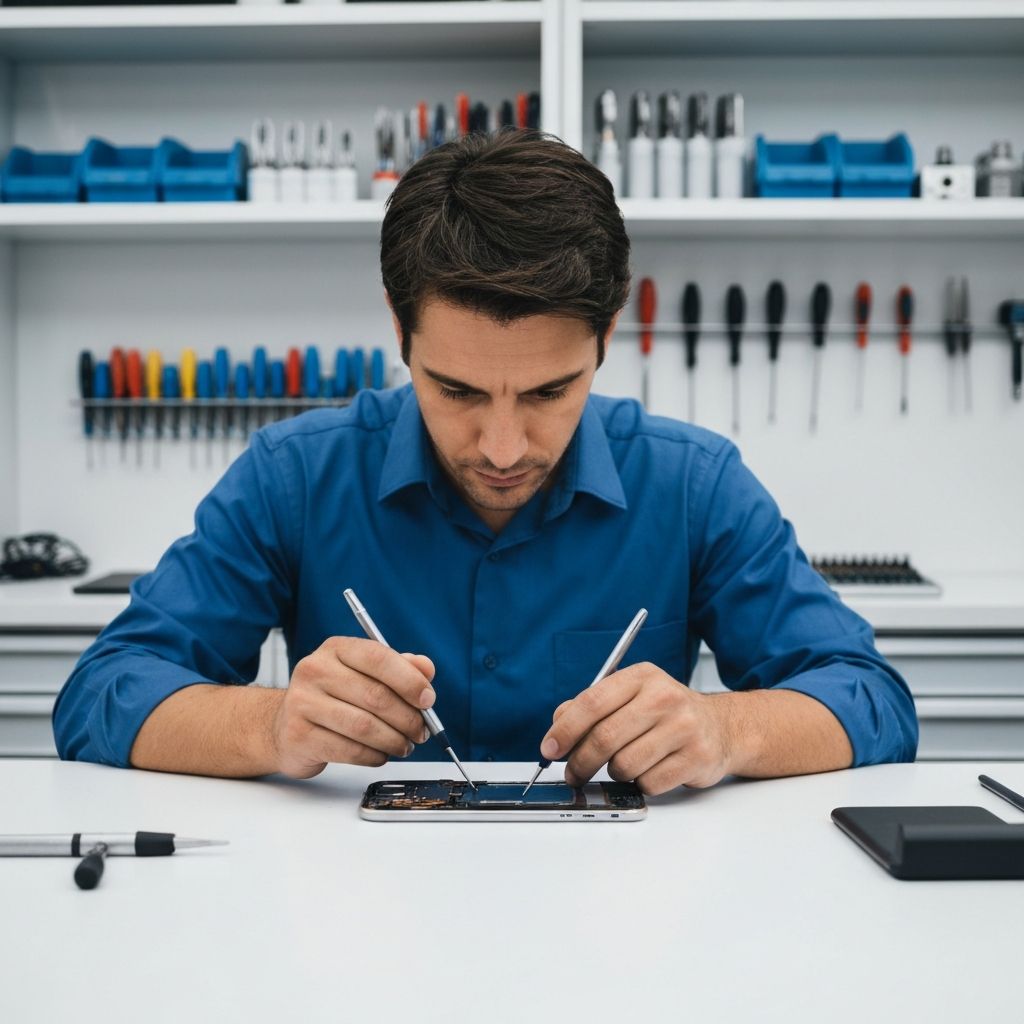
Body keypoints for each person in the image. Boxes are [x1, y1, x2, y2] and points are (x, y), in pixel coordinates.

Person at [52, 130, 917, 794]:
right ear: (400, 331)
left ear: (607, 338)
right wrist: (271, 724)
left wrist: (727, 731)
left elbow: (873, 702)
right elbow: (102, 695)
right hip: (352, 924)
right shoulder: (297, 476)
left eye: (548, 393)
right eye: (459, 391)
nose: (503, 449)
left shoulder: (692, 484)